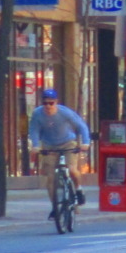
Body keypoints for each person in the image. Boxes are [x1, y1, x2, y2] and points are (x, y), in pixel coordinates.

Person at [29, 88, 91, 216]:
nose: (48, 106)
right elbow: (34, 130)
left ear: (56, 102)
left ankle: (78, 190)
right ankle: (55, 208)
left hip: (68, 142)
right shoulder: (37, 114)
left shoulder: (65, 113)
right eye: (45, 103)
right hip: (49, 145)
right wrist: (35, 145)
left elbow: (81, 126)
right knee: (50, 178)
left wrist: (85, 142)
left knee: (72, 169)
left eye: (51, 103)